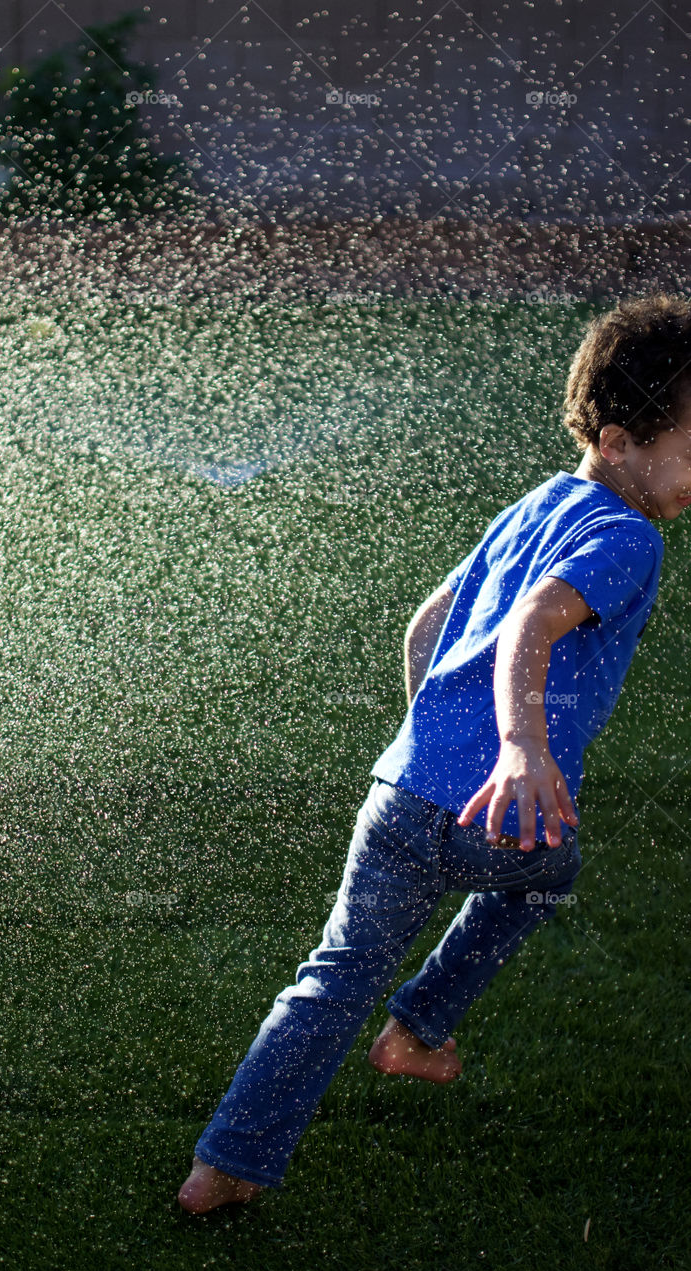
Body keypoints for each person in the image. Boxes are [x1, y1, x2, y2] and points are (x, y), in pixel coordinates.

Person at [178, 293, 691, 1213]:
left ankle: (222, 1168)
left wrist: (433, 734)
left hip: (401, 793)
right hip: (499, 808)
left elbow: (428, 621)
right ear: (618, 442)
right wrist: (518, 747)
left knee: (332, 981)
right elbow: (531, 623)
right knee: (547, 876)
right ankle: (418, 1028)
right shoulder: (629, 535)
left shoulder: (532, 507)